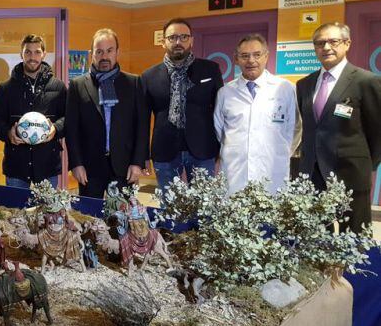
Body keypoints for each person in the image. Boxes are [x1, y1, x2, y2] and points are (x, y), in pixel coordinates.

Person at [296, 22, 381, 232]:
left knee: (354, 239)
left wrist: (365, 163)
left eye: (333, 41)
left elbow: (378, 131)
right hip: (312, 175)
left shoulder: (366, 81)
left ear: (347, 44)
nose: (326, 47)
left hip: (350, 174)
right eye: (320, 43)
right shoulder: (304, 84)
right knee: (314, 238)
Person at [65, 28, 149, 198]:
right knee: (89, 218)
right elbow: (71, 129)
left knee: (122, 219)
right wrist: (76, 163)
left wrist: (137, 162)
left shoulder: (134, 83)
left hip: (124, 167)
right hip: (90, 167)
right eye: (99, 51)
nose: (104, 56)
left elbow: (142, 126)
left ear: (117, 52)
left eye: (109, 50)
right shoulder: (77, 85)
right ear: (92, 54)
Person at [141, 18, 223, 190]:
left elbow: (220, 111)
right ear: (163, 42)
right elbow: (142, 120)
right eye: (172, 37)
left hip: (203, 150)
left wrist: (222, 148)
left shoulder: (210, 69)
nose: (178, 42)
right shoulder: (149, 76)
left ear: (191, 40)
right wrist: (143, 155)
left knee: (204, 207)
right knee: (169, 209)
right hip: (164, 151)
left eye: (184, 37)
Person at [213, 34, 299, 194]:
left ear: (266, 56)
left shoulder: (286, 88)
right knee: (234, 216)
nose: (251, 60)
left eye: (257, 55)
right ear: (236, 59)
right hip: (235, 171)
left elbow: (296, 128)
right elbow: (219, 131)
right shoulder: (225, 92)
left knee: (271, 215)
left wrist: (279, 150)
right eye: (244, 56)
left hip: (273, 170)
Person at [0, 34, 66, 188]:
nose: (33, 57)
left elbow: (68, 118)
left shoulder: (58, 87)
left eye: (37, 52)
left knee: (48, 211)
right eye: (28, 52)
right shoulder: (6, 88)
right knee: (15, 210)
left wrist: (55, 129)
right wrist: (8, 133)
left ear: (44, 54)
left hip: (47, 165)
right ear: (21, 54)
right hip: (16, 165)